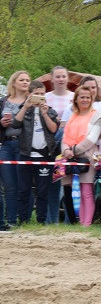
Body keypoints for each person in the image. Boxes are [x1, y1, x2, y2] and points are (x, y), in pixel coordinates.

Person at [10, 80, 59, 224]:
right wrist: (26, 107)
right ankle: (23, 220)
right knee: (23, 190)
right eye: (36, 94)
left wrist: (44, 114)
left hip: (44, 156)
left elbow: (54, 129)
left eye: (42, 94)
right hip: (26, 155)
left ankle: (41, 221)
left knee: (42, 191)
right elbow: (15, 124)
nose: (39, 96)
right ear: (30, 95)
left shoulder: (49, 110)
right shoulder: (24, 109)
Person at [60, 85, 101, 227]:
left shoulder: (97, 115)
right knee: (70, 191)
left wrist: (73, 150)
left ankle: (86, 223)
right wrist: (66, 151)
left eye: (88, 97)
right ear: (76, 99)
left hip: (87, 157)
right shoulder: (72, 116)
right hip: (70, 157)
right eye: (82, 97)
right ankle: (74, 222)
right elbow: (65, 137)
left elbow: (92, 138)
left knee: (86, 192)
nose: (85, 100)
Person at [1, 70, 32, 227]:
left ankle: (25, 220)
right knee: (10, 186)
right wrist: (1, 123)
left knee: (24, 185)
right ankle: (11, 220)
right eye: (22, 80)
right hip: (6, 145)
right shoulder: (3, 101)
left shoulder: (32, 101)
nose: (25, 82)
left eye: (27, 80)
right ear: (14, 82)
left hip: (24, 145)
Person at [45, 66, 73, 142]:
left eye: (64, 76)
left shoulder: (75, 97)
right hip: (50, 136)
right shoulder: (45, 97)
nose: (61, 79)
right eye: (57, 77)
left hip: (71, 136)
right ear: (52, 79)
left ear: (68, 78)